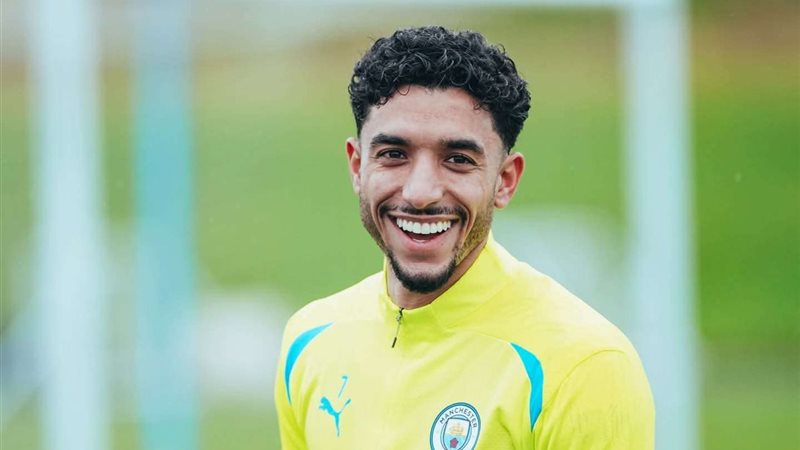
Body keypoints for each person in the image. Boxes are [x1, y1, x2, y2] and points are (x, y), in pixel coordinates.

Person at [274, 26, 654, 450]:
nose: (420, 193)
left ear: (505, 180)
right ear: (357, 166)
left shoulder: (582, 366)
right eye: (394, 154)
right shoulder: (309, 340)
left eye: (457, 159)